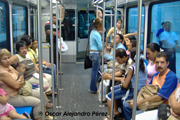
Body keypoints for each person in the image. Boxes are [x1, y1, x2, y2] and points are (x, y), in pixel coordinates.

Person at [123, 52, 178, 120]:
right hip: (151, 102)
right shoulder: (156, 75)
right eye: (157, 62)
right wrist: (136, 100)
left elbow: (159, 98)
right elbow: (146, 91)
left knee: (137, 114)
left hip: (161, 106)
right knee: (126, 105)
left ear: (167, 63)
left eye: (162, 62)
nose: (159, 65)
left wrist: (139, 102)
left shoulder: (170, 77)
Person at [0, 49, 53, 120]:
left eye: (8, 58)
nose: (8, 60)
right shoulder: (2, 73)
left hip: (21, 91)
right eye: (4, 59)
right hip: (12, 96)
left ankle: (45, 116)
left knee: (41, 94)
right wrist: (19, 81)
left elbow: (21, 75)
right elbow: (16, 85)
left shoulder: (10, 67)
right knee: (37, 102)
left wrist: (18, 80)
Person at [102, 48, 147, 120]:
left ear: (131, 57)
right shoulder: (143, 64)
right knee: (114, 89)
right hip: (140, 89)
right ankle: (115, 112)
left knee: (109, 96)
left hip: (132, 90)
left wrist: (121, 81)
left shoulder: (132, 67)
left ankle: (111, 117)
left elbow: (125, 84)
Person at [88, 18, 103, 94]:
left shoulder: (93, 32)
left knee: (98, 71)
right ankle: (93, 89)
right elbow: (100, 47)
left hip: (92, 53)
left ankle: (98, 85)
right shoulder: (97, 35)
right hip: (96, 54)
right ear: (99, 26)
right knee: (95, 72)